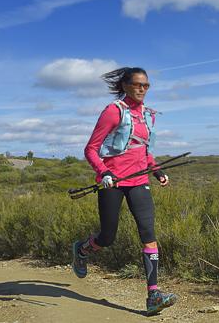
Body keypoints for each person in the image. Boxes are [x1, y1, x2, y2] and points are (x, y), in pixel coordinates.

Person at [72, 67, 177, 316]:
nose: (142, 89)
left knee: (148, 233)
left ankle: (153, 295)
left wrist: (157, 170)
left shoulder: (148, 116)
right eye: (138, 84)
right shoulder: (113, 111)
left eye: (146, 85)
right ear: (126, 85)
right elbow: (91, 149)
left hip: (139, 181)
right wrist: (104, 172)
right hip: (112, 182)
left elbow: (144, 150)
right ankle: (83, 249)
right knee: (107, 237)